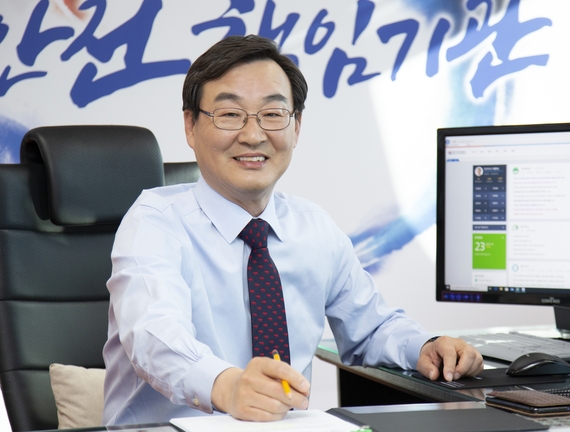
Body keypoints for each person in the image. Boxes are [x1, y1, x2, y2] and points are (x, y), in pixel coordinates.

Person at [102, 34, 483, 426]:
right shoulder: (155, 221)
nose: (253, 135)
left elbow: (372, 327)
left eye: (272, 114)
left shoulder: (313, 227)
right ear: (190, 125)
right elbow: (153, 335)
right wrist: (228, 387)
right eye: (230, 114)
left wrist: (425, 347)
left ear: (296, 126)